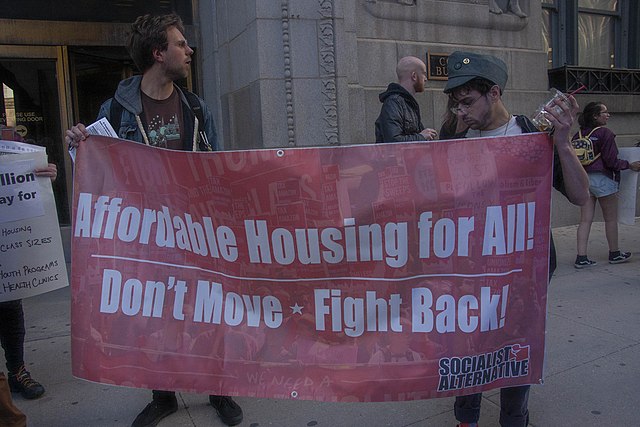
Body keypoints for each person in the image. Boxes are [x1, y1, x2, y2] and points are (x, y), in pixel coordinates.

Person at [65, 13, 243, 427]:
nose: (189, 50)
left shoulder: (196, 106)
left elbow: (216, 165)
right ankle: (162, 394)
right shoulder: (115, 109)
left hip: (197, 233)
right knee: (156, 315)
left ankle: (219, 388)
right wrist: (79, 145)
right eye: (180, 44)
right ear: (158, 53)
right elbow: (100, 175)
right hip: (147, 237)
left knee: (209, 311)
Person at [441, 51, 589, 427]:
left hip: (524, 270)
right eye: (455, 104)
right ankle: (466, 417)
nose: (461, 112)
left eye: (467, 102)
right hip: (469, 267)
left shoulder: (531, 134)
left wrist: (563, 143)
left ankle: (514, 418)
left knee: (515, 346)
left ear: (494, 93)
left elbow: (579, 195)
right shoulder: (454, 135)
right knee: (467, 342)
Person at [573, 101, 640, 267]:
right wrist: (628, 165)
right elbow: (611, 161)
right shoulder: (606, 133)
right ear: (596, 116)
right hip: (603, 180)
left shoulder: (579, 135)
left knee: (585, 220)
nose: (608, 114)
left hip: (584, 180)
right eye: (605, 112)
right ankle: (614, 253)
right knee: (610, 219)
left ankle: (581, 257)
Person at [375, 56, 438, 143]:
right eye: (423, 73)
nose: (425, 79)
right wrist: (422, 136)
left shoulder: (407, 103)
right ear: (414, 76)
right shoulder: (393, 103)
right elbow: (393, 141)